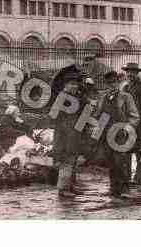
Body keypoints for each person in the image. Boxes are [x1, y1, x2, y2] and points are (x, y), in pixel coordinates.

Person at [96, 70, 140, 198]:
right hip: (107, 133)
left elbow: (135, 116)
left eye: (114, 82)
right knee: (110, 161)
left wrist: (127, 128)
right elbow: (100, 115)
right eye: (109, 83)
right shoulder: (103, 97)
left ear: (118, 83)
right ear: (106, 84)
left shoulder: (126, 97)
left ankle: (124, 188)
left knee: (122, 160)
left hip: (121, 134)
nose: (112, 85)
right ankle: (114, 188)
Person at [51, 70, 87, 198]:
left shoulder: (77, 97)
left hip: (75, 133)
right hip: (64, 134)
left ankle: (70, 185)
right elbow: (53, 116)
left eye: (76, 84)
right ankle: (63, 188)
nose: (74, 86)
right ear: (65, 85)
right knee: (66, 160)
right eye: (71, 84)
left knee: (73, 160)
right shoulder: (62, 97)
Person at [121, 62, 141, 186]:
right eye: (128, 72)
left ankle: (140, 177)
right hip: (128, 123)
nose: (129, 74)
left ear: (137, 73)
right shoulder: (125, 86)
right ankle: (126, 176)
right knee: (126, 150)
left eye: (132, 72)